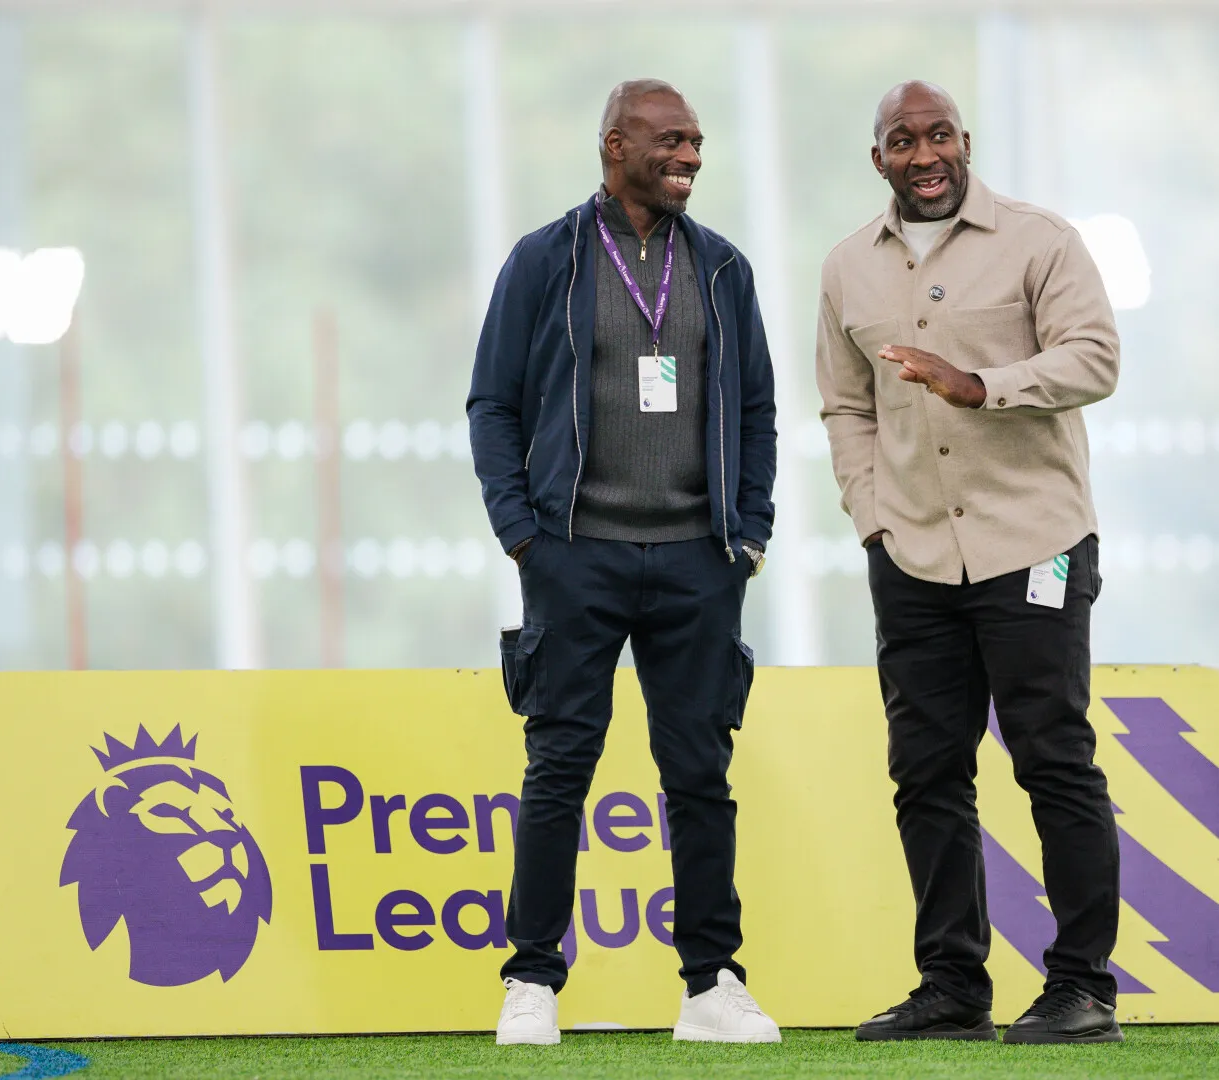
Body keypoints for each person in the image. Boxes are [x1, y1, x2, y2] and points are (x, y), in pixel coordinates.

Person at [468, 78, 779, 1045]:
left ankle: (711, 986)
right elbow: (492, 406)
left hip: (699, 560)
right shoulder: (543, 260)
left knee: (698, 775)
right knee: (559, 768)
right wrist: (524, 535)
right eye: (671, 139)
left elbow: (759, 410)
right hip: (574, 556)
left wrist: (750, 532)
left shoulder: (723, 268)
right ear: (615, 146)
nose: (690, 153)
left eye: (696, 140)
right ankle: (531, 982)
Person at [814, 80, 1123, 1044]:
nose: (923, 153)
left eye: (938, 134)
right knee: (926, 773)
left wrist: (980, 384)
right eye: (901, 141)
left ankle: (1081, 990)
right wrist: (871, 519)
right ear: (879, 160)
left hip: (1034, 542)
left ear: (964, 143)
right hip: (910, 555)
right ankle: (951, 986)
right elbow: (845, 405)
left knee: (1053, 761)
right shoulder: (844, 268)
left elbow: (1094, 358)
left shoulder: (1039, 239)